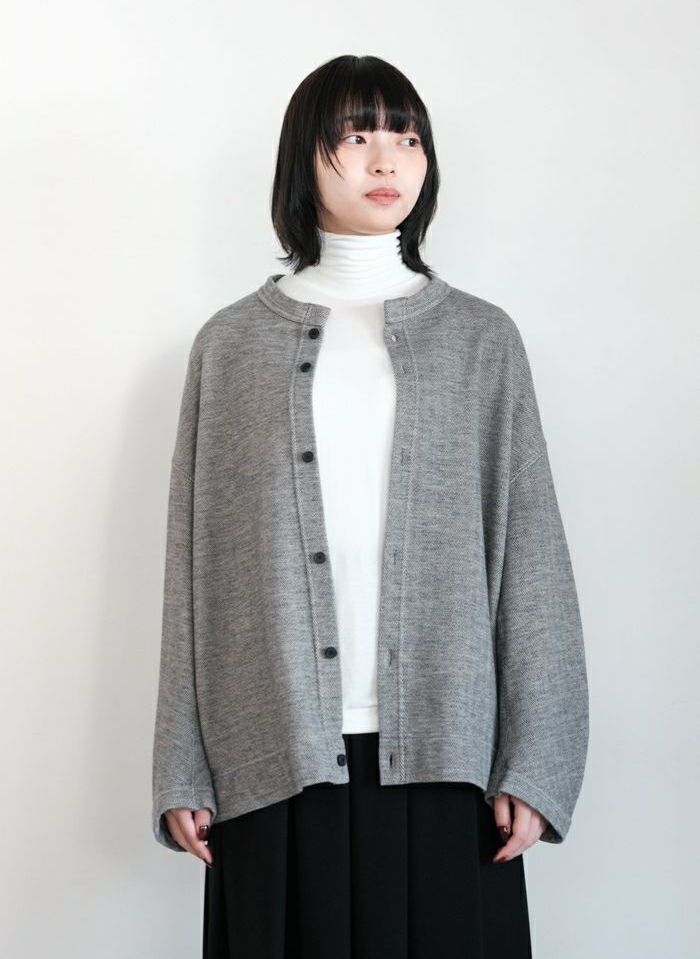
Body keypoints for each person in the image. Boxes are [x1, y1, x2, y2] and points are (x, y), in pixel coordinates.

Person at [152, 54, 589, 958]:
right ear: (303, 160)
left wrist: (539, 758)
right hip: (270, 753)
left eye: (408, 137)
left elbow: (532, 557)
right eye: (355, 136)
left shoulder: (480, 341)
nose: (387, 160)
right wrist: (181, 764)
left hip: (448, 755)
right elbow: (195, 565)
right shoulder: (231, 346)